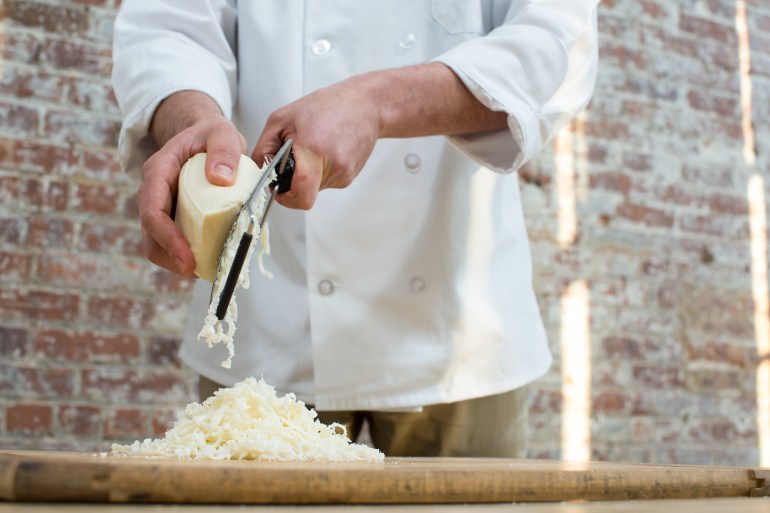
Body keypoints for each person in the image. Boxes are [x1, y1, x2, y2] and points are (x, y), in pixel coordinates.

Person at [112, 0, 599, 457]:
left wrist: (375, 103)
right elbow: (169, 27)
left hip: (459, 332)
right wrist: (192, 120)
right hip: (270, 316)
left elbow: (553, 42)